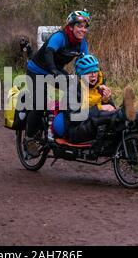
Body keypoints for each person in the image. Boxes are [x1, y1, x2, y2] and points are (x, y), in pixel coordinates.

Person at [53, 54, 138, 144]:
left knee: (124, 116)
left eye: (95, 71)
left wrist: (106, 100)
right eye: (89, 72)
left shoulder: (100, 88)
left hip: (97, 126)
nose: (93, 75)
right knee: (107, 115)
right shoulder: (72, 90)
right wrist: (100, 107)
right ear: (80, 75)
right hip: (76, 131)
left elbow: (111, 109)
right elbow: (75, 116)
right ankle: (124, 113)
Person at [25, 10, 91, 157]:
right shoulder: (60, 37)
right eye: (79, 26)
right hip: (36, 71)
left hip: (55, 72)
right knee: (40, 103)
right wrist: (54, 70)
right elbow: (49, 53)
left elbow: (87, 63)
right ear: (71, 26)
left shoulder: (81, 44)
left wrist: (94, 80)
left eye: (85, 27)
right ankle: (29, 138)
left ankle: (62, 126)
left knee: (75, 93)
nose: (83, 30)